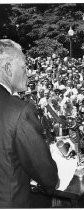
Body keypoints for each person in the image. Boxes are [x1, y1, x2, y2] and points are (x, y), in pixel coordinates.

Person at [0, 39, 58, 208]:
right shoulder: (19, 110)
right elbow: (47, 175)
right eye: (24, 68)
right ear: (8, 69)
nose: (29, 73)